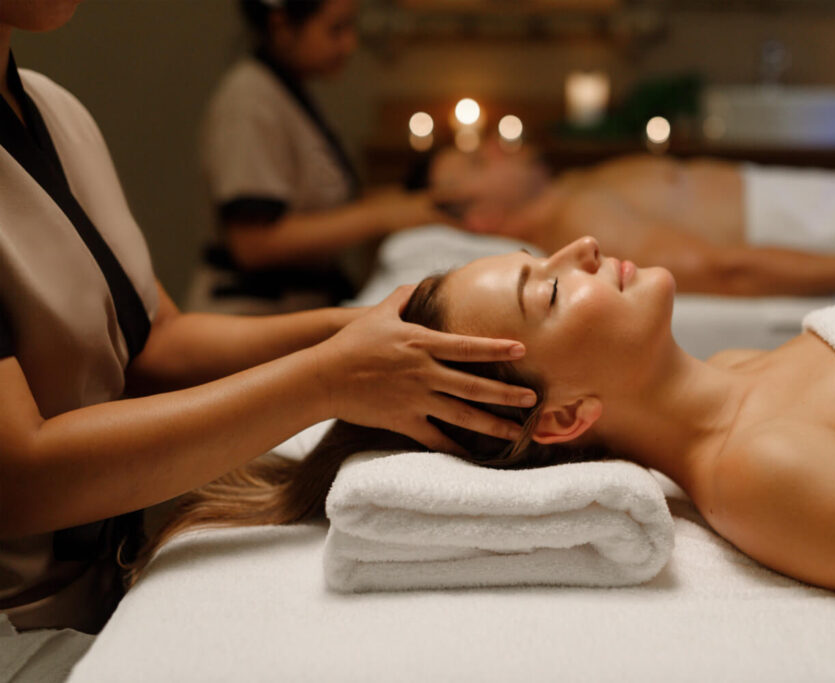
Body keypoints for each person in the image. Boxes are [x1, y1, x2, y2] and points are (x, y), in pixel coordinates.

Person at [0, 0, 536, 634]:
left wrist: (357, 329)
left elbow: (154, 341)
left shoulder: (55, 112)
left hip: (104, 587)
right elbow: (18, 479)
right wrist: (330, 379)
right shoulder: (248, 100)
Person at [138, 236, 835, 617]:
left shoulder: (737, 378)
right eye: (552, 289)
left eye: (544, 259)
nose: (583, 252)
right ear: (563, 417)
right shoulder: (763, 472)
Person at [413, 141, 835, 302]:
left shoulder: (578, 189)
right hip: (828, 226)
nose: (492, 147)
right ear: (485, 218)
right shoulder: (582, 220)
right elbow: (724, 269)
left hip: (829, 204)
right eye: (474, 164)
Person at [189, 0, 446, 314]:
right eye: (336, 29)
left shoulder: (286, 92)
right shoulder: (249, 101)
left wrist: (401, 203)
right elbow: (253, 244)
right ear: (282, 27)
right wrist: (379, 216)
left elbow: (327, 203)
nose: (350, 44)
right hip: (252, 314)